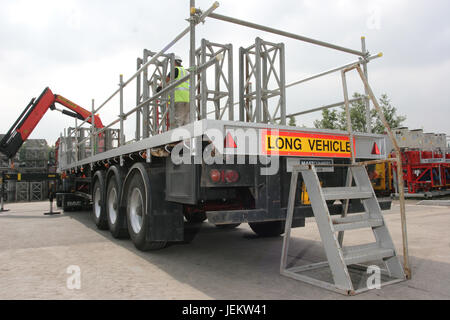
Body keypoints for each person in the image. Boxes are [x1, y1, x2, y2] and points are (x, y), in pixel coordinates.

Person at [157, 55, 190, 128]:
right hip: (188, 99)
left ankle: (178, 138)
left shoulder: (175, 70)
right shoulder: (187, 72)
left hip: (178, 99)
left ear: (174, 62)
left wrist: (159, 88)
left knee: (178, 121)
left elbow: (166, 80)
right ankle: (186, 138)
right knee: (187, 121)